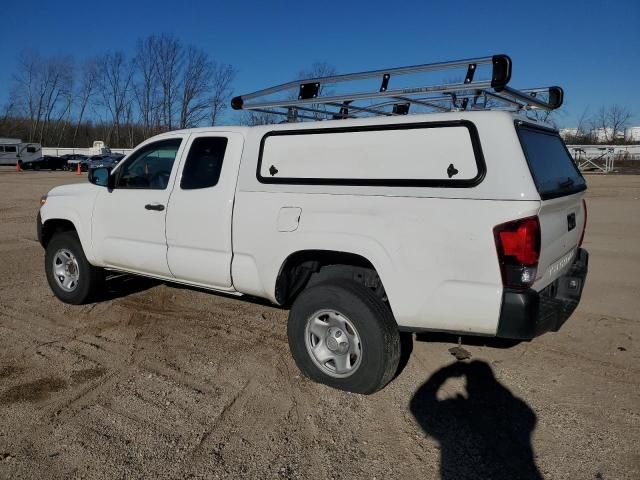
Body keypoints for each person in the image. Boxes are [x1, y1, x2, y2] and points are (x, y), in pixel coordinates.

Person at [410, 360, 542, 480]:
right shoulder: (515, 410)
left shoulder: (455, 415)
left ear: (468, 388)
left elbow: (418, 405)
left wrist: (444, 373)